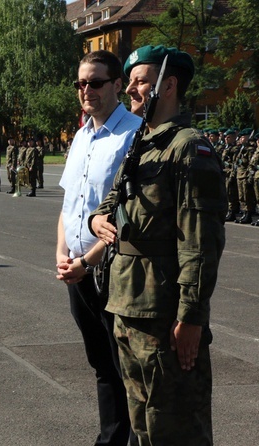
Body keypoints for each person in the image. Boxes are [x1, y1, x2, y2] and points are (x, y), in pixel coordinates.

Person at [90, 45, 226, 445]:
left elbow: (201, 242)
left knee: (177, 429)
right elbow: (110, 203)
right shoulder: (143, 143)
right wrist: (97, 219)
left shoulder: (187, 147)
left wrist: (192, 317)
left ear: (167, 86)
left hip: (165, 316)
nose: (130, 89)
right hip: (127, 307)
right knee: (144, 427)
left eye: (139, 82)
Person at [56, 50, 141, 446]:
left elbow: (128, 218)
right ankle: (110, 439)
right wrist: (62, 253)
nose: (85, 91)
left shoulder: (134, 134)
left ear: (117, 85)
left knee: (126, 366)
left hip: (113, 271)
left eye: (94, 82)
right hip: (76, 270)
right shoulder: (81, 135)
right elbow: (69, 204)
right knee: (101, 365)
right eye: (80, 83)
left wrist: (86, 263)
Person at [233, 128, 256, 224]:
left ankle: (248, 214)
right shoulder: (242, 148)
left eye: (243, 137)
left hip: (245, 175)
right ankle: (244, 213)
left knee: (247, 196)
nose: (241, 139)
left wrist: (249, 175)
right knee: (241, 196)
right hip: (240, 175)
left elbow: (251, 164)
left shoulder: (250, 149)